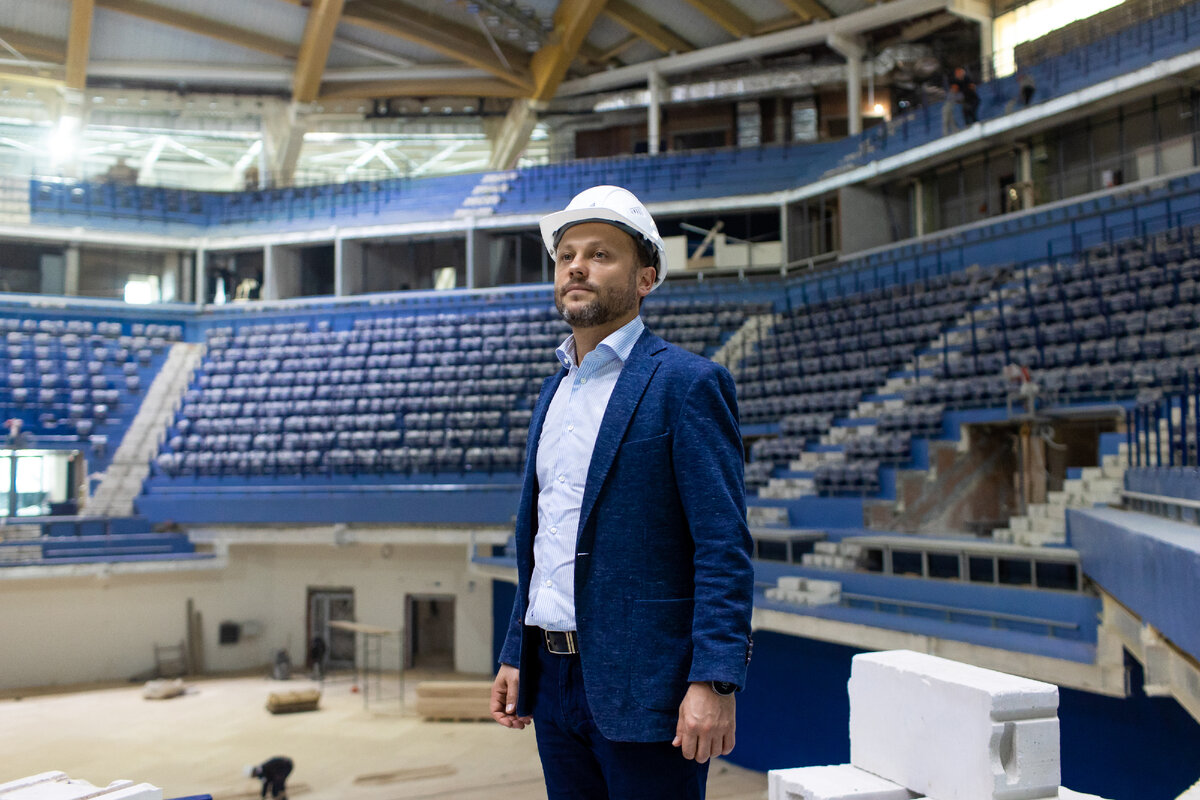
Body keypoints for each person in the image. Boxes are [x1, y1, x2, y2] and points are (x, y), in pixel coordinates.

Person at [490, 185, 754, 800]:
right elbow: (546, 540)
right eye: (567, 256)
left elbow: (722, 545)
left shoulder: (687, 384)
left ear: (645, 279)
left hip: (648, 684)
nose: (577, 267)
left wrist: (715, 681)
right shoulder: (553, 393)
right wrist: (516, 651)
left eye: (600, 255)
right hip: (551, 680)